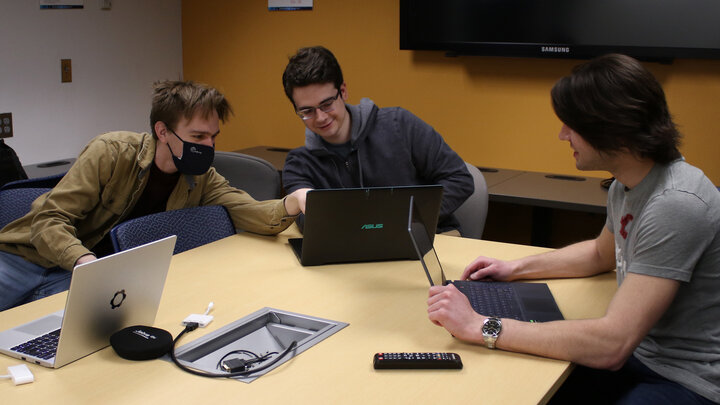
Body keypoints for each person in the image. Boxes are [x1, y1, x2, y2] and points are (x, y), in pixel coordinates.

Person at [427, 54, 720, 404]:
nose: (562, 135)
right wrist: (516, 268)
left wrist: (481, 325)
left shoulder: (675, 203)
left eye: (572, 125)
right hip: (643, 354)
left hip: (689, 378)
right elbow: (600, 253)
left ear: (612, 127)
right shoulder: (628, 183)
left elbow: (612, 344)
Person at [0, 80, 303, 311]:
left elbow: (254, 214)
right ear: (162, 131)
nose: (208, 146)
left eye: (213, 137)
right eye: (198, 137)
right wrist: (86, 263)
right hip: (23, 258)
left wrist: (293, 200)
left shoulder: (200, 178)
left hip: (77, 278)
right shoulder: (111, 152)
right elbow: (48, 220)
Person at [280, 46, 474, 233]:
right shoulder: (299, 164)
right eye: (307, 111)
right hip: (355, 252)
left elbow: (459, 180)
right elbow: (308, 224)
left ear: (343, 91)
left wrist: (403, 219)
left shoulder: (400, 125)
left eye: (327, 104)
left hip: (427, 238)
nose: (321, 117)